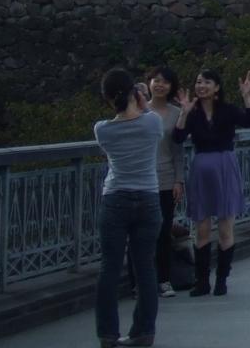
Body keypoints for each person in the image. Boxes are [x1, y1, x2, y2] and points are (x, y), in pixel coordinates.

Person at [173, 67, 250, 297]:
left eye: (206, 82)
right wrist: (183, 113)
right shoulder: (193, 113)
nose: (201, 86)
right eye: (198, 82)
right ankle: (202, 281)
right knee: (201, 228)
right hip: (202, 169)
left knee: (225, 228)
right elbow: (178, 138)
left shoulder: (228, 110)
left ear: (217, 87)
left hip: (225, 167)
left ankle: (222, 279)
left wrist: (246, 96)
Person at [94, 68, 164, 348]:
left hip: (116, 199)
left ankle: (108, 334)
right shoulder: (153, 122)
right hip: (148, 198)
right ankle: (144, 332)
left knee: (109, 268)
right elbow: (150, 120)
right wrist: (143, 105)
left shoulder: (102, 129)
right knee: (145, 267)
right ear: (136, 93)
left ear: (108, 98)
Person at [146, 67, 184, 298]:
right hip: (142, 179)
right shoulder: (140, 110)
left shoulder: (176, 113)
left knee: (163, 230)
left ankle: (164, 279)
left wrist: (179, 180)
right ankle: (140, 282)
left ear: (171, 87)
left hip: (167, 178)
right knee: (140, 233)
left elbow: (178, 150)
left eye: (164, 82)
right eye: (156, 80)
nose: (159, 85)